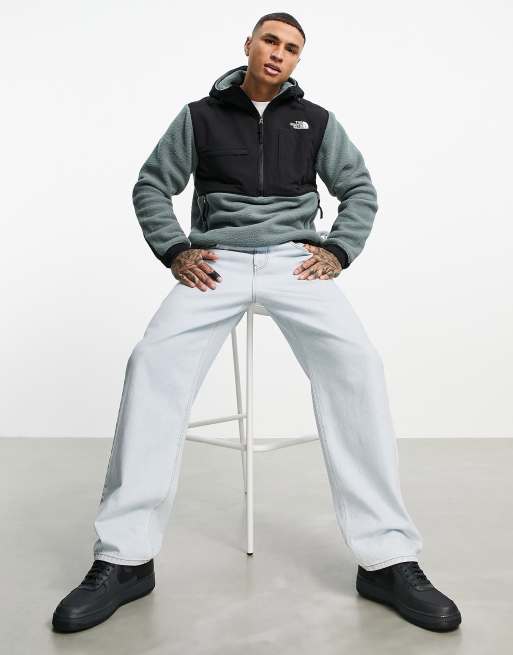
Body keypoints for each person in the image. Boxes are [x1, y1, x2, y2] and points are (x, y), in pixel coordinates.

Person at [52, 12, 461, 634]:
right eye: (270, 40)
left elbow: (359, 190)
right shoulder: (199, 117)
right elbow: (151, 185)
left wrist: (338, 250)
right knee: (151, 363)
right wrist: (176, 250)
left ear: (298, 60)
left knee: (358, 366)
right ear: (248, 44)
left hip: (295, 262)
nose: (278, 53)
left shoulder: (316, 121)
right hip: (214, 261)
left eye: (292, 48)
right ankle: (125, 559)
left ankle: (387, 559)